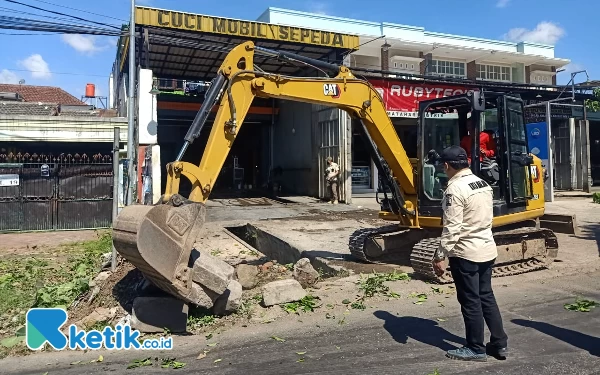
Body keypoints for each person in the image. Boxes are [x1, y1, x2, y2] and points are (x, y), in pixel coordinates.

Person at [431, 145, 508, 362]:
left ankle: (475, 348)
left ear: (446, 165)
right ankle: (499, 343)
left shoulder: (454, 189)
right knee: (487, 297)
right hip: (486, 248)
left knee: (470, 301)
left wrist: (440, 255)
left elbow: (452, 227)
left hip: (466, 253)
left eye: (443, 166)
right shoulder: (482, 183)